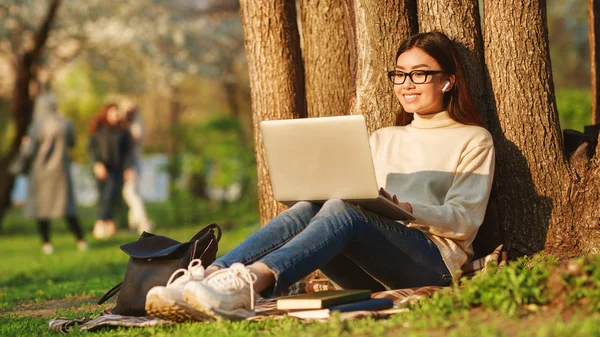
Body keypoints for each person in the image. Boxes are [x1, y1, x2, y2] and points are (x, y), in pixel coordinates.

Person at [146, 31, 496, 321]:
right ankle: (210, 277)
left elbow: (464, 221)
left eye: (419, 73)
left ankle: (248, 283)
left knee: (343, 210)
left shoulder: (472, 139)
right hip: (363, 264)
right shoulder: (383, 138)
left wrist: (406, 208)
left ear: (448, 80)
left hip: (429, 263)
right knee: (309, 207)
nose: (407, 83)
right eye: (400, 74)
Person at [22, 94, 87, 254]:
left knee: (43, 209)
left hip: (41, 173)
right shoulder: (66, 124)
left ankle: (47, 243)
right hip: (61, 171)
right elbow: (72, 143)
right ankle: (81, 240)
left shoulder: (36, 126)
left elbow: (30, 151)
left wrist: (24, 146)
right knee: (67, 207)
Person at [88, 103, 134, 239]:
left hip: (116, 169)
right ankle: (108, 224)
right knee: (104, 196)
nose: (116, 115)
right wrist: (97, 163)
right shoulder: (98, 130)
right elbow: (91, 149)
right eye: (113, 112)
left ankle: (101, 223)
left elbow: (127, 153)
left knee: (111, 195)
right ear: (107, 113)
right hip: (102, 168)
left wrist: (127, 168)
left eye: (117, 113)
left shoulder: (123, 131)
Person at [119, 100, 153, 234]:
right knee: (133, 193)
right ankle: (134, 223)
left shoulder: (135, 127)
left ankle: (144, 222)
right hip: (132, 163)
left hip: (132, 164)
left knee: (130, 193)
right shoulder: (131, 125)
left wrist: (129, 167)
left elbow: (129, 149)